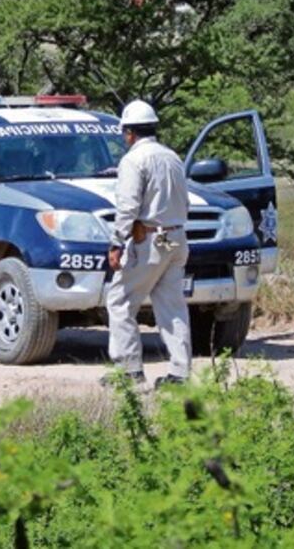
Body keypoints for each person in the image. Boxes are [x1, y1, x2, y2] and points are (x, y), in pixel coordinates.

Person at [103, 99, 191, 389]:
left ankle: (130, 372)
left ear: (129, 133)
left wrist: (117, 242)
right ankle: (180, 374)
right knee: (173, 307)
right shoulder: (172, 157)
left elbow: (127, 207)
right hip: (176, 238)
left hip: (150, 239)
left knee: (119, 301)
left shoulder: (133, 160)